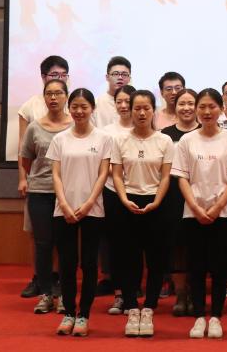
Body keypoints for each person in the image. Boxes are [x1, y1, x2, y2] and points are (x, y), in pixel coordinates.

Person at [172, 88, 227, 340]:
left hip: (223, 214)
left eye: (211, 106)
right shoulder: (187, 141)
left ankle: (215, 317)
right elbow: (182, 177)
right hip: (193, 213)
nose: (206, 111)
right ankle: (198, 317)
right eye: (201, 107)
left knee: (219, 267)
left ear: (221, 109)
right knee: (196, 267)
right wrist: (195, 206)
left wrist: (216, 207)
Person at [47, 89, 113, 337]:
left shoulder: (104, 138)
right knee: (66, 263)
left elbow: (103, 174)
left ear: (92, 109)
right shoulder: (60, 139)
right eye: (75, 106)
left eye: (84, 106)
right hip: (63, 209)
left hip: (92, 209)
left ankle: (84, 314)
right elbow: (56, 174)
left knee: (89, 263)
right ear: (69, 108)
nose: (79, 111)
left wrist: (88, 203)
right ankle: (68, 313)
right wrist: (64, 204)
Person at [113, 90, 175, 338]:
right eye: (136, 108)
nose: (141, 113)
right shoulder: (120, 140)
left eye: (146, 108)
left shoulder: (164, 141)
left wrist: (157, 201)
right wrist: (124, 198)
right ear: (130, 111)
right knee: (129, 257)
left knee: (156, 258)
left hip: (156, 203)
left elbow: (166, 176)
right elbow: (117, 174)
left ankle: (149, 306)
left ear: (153, 111)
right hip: (127, 202)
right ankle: (131, 305)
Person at [18, 55, 69, 298]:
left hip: (66, 191)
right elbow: (24, 155)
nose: (54, 97)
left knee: (62, 240)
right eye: (50, 91)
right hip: (39, 187)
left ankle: (57, 280)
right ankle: (41, 281)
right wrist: (24, 178)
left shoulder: (76, 117)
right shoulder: (32, 116)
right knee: (40, 239)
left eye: (62, 76)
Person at [161, 88, 200, 317]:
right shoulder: (165, 135)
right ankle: (181, 294)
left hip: (200, 196)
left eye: (190, 103)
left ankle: (195, 293)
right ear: (175, 108)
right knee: (177, 246)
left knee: (196, 246)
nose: (186, 108)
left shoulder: (204, 131)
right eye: (181, 104)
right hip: (172, 196)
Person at [102, 83, 137, 312]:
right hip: (112, 192)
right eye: (119, 102)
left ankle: (134, 291)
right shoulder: (106, 132)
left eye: (128, 102)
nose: (123, 106)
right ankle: (119, 294)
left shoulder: (145, 129)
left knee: (136, 245)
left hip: (139, 192)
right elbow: (103, 166)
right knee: (116, 245)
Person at [93, 56, 131, 129]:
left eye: (124, 74)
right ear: (107, 77)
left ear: (129, 79)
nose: (120, 77)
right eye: (115, 74)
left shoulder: (135, 103)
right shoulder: (96, 103)